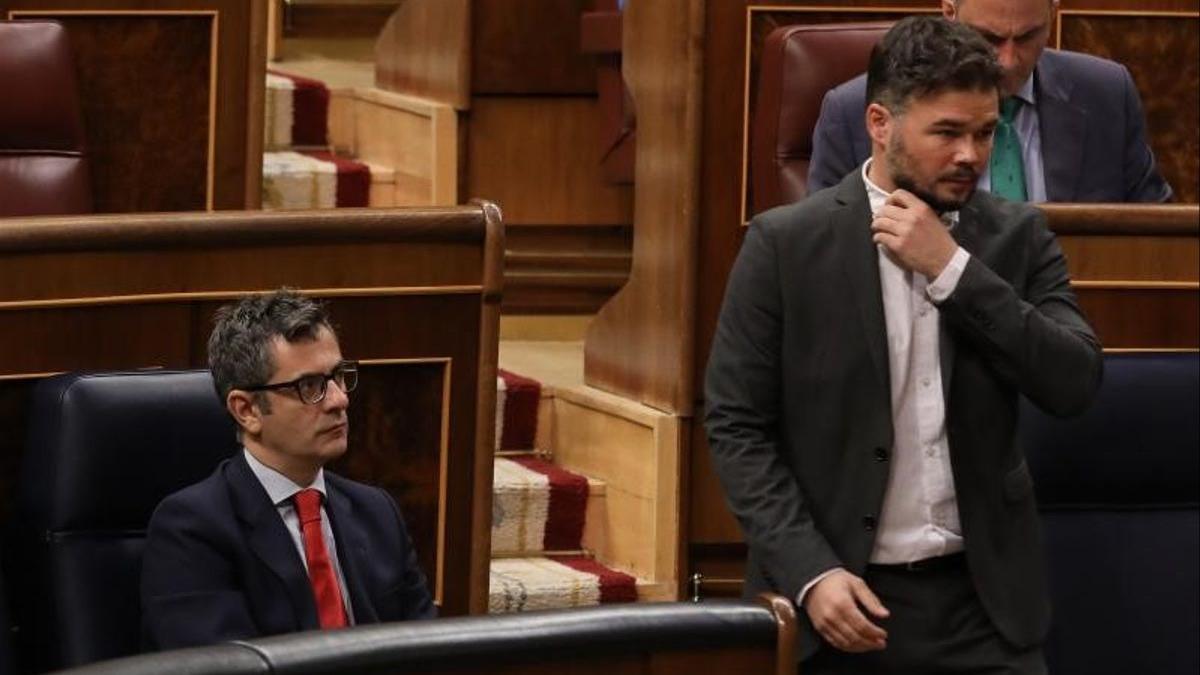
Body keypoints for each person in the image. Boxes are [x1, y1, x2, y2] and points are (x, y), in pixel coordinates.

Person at [706, 17, 1102, 673]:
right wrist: (810, 572)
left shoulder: (1016, 238)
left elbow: (1074, 381)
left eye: (985, 132)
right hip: (839, 601)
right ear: (880, 124)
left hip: (985, 610)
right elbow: (735, 424)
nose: (971, 154)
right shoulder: (785, 245)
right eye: (947, 133)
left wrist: (954, 271)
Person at [142, 290, 434, 650]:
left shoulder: (377, 512)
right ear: (246, 410)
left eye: (339, 376)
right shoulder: (192, 530)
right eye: (309, 386)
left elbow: (427, 651)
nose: (339, 400)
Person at [806, 0, 1173, 203]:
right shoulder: (854, 109)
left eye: (1028, 36)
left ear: (1053, 13)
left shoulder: (1106, 93)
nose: (1008, 61)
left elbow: (1154, 233)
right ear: (949, 14)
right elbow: (822, 246)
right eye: (989, 38)